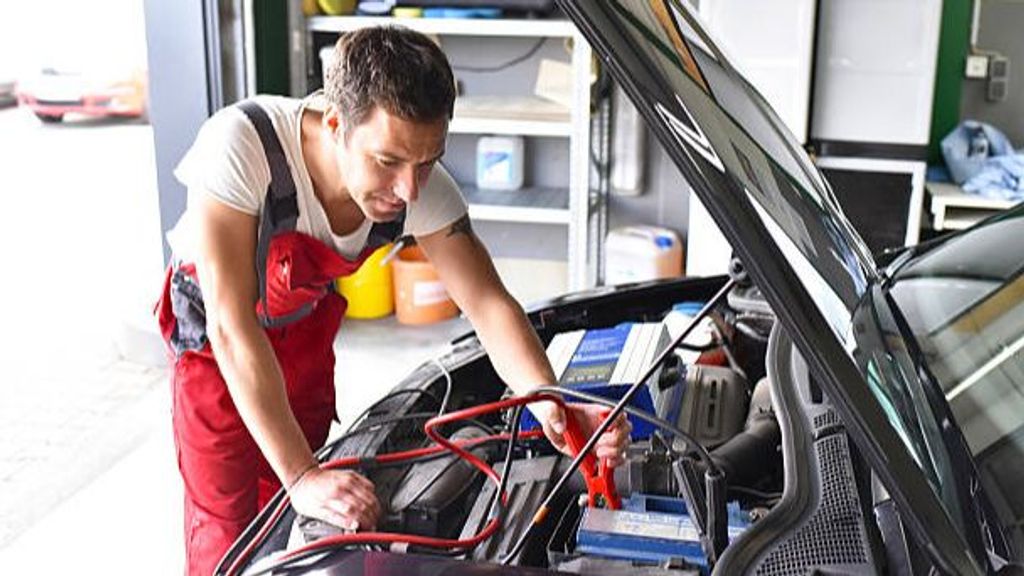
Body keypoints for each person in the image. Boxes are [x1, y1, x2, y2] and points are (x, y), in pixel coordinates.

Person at [156, 25, 630, 575]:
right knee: (228, 526)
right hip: (216, 348)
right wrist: (301, 475)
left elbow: (488, 304)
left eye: (427, 162)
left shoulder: (419, 185)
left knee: (301, 520)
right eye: (388, 161)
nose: (410, 190)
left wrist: (551, 402)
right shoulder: (243, 146)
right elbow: (231, 324)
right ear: (335, 124)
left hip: (303, 335)